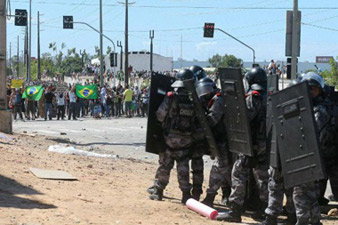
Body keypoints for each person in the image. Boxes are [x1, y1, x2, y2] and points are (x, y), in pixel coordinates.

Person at [219, 67, 269, 222]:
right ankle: (266, 210)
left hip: (250, 145)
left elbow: (244, 119)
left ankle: (235, 211)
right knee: (263, 179)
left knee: (238, 174)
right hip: (265, 145)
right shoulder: (270, 97)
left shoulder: (253, 97)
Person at [149, 69, 196, 204]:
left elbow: (160, 115)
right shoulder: (193, 100)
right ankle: (186, 194)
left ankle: (158, 191)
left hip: (170, 139)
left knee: (165, 165)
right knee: (183, 168)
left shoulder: (171, 97)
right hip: (186, 140)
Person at [196, 78, 232, 208]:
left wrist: (201, 117)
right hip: (224, 140)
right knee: (227, 169)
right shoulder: (216, 99)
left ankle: (210, 197)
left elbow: (212, 120)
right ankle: (229, 197)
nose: (205, 94)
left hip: (224, 140)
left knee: (219, 169)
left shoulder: (218, 100)